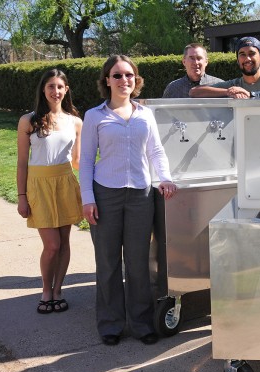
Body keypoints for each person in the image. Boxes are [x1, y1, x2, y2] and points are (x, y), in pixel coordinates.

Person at [79, 55, 178, 346]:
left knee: (137, 263)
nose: (124, 80)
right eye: (118, 75)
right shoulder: (95, 115)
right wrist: (87, 199)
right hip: (105, 194)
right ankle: (110, 324)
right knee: (108, 262)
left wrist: (165, 177)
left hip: (140, 195)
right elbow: (86, 161)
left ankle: (142, 323)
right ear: (107, 80)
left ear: (136, 80)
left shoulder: (145, 114)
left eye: (129, 75)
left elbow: (157, 151)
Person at [16, 69, 83, 314]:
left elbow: (77, 162)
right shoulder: (29, 120)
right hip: (39, 185)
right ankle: (46, 289)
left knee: (64, 243)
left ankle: (58, 291)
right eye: (51, 87)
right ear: (43, 90)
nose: (56, 92)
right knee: (52, 245)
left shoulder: (75, 121)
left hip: (65, 182)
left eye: (60, 87)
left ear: (66, 90)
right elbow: (22, 162)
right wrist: (22, 197)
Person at [189, 36, 260, 99]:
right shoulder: (233, 85)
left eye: (252, 53)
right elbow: (194, 92)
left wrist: (250, 96)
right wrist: (228, 92)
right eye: (242, 54)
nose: (247, 59)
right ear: (237, 60)